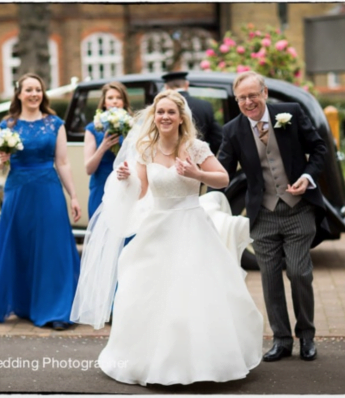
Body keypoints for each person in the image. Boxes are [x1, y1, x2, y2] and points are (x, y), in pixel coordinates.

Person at [71, 90, 263, 386]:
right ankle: (150, 360)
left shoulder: (195, 147)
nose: (164, 117)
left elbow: (224, 178)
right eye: (160, 112)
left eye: (171, 112)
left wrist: (196, 173)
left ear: (180, 117)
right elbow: (142, 191)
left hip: (192, 225)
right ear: (154, 116)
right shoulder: (145, 149)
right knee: (145, 289)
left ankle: (200, 363)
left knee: (193, 293)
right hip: (157, 227)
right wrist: (125, 180)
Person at [217, 71, 328, 362]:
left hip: (298, 208)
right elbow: (222, 172)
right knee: (269, 278)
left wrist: (307, 176)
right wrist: (193, 171)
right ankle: (281, 340)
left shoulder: (289, 113)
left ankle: (306, 336)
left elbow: (319, 149)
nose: (248, 101)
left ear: (264, 93)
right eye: (242, 97)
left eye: (253, 95)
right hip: (262, 213)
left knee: (299, 273)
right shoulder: (232, 130)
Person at [0, 73, 82, 331]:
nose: (33, 94)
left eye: (37, 89)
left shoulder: (55, 123)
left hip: (48, 190)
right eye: (28, 90)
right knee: (22, 247)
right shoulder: (8, 125)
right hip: (18, 191)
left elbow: (62, 162)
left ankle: (57, 309)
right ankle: (27, 304)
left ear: (43, 93)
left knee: (53, 249)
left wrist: (73, 195)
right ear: (19, 94)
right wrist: (1, 158)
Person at [84, 82, 132, 218]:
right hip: (101, 186)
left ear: (124, 102)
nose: (115, 101)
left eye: (119, 97)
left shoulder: (132, 127)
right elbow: (88, 169)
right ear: (104, 102)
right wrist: (103, 146)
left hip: (125, 185)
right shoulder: (93, 129)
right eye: (110, 98)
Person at [162, 71, 222, 154]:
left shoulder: (161, 108)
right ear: (186, 85)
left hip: (168, 157)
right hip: (197, 160)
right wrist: (204, 156)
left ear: (166, 87)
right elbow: (217, 138)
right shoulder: (205, 105)